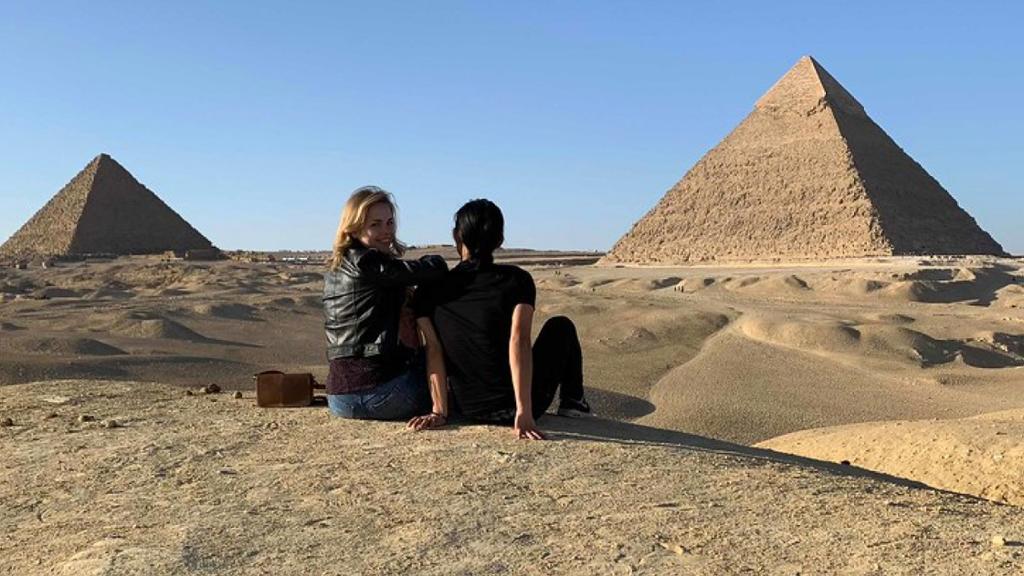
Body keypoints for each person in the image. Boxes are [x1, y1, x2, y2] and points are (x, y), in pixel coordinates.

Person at [407, 199, 591, 439]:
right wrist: (524, 412)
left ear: (456, 236)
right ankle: (573, 402)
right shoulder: (517, 280)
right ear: (500, 240)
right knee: (561, 326)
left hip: (469, 407)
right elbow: (519, 341)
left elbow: (433, 349)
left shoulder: (429, 289)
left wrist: (439, 412)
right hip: (515, 408)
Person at [323, 186, 448, 420]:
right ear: (353, 227)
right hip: (382, 395)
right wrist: (437, 260)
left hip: (339, 398)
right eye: (375, 224)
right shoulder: (368, 262)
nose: (386, 231)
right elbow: (427, 270)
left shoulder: (335, 268)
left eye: (390, 222)